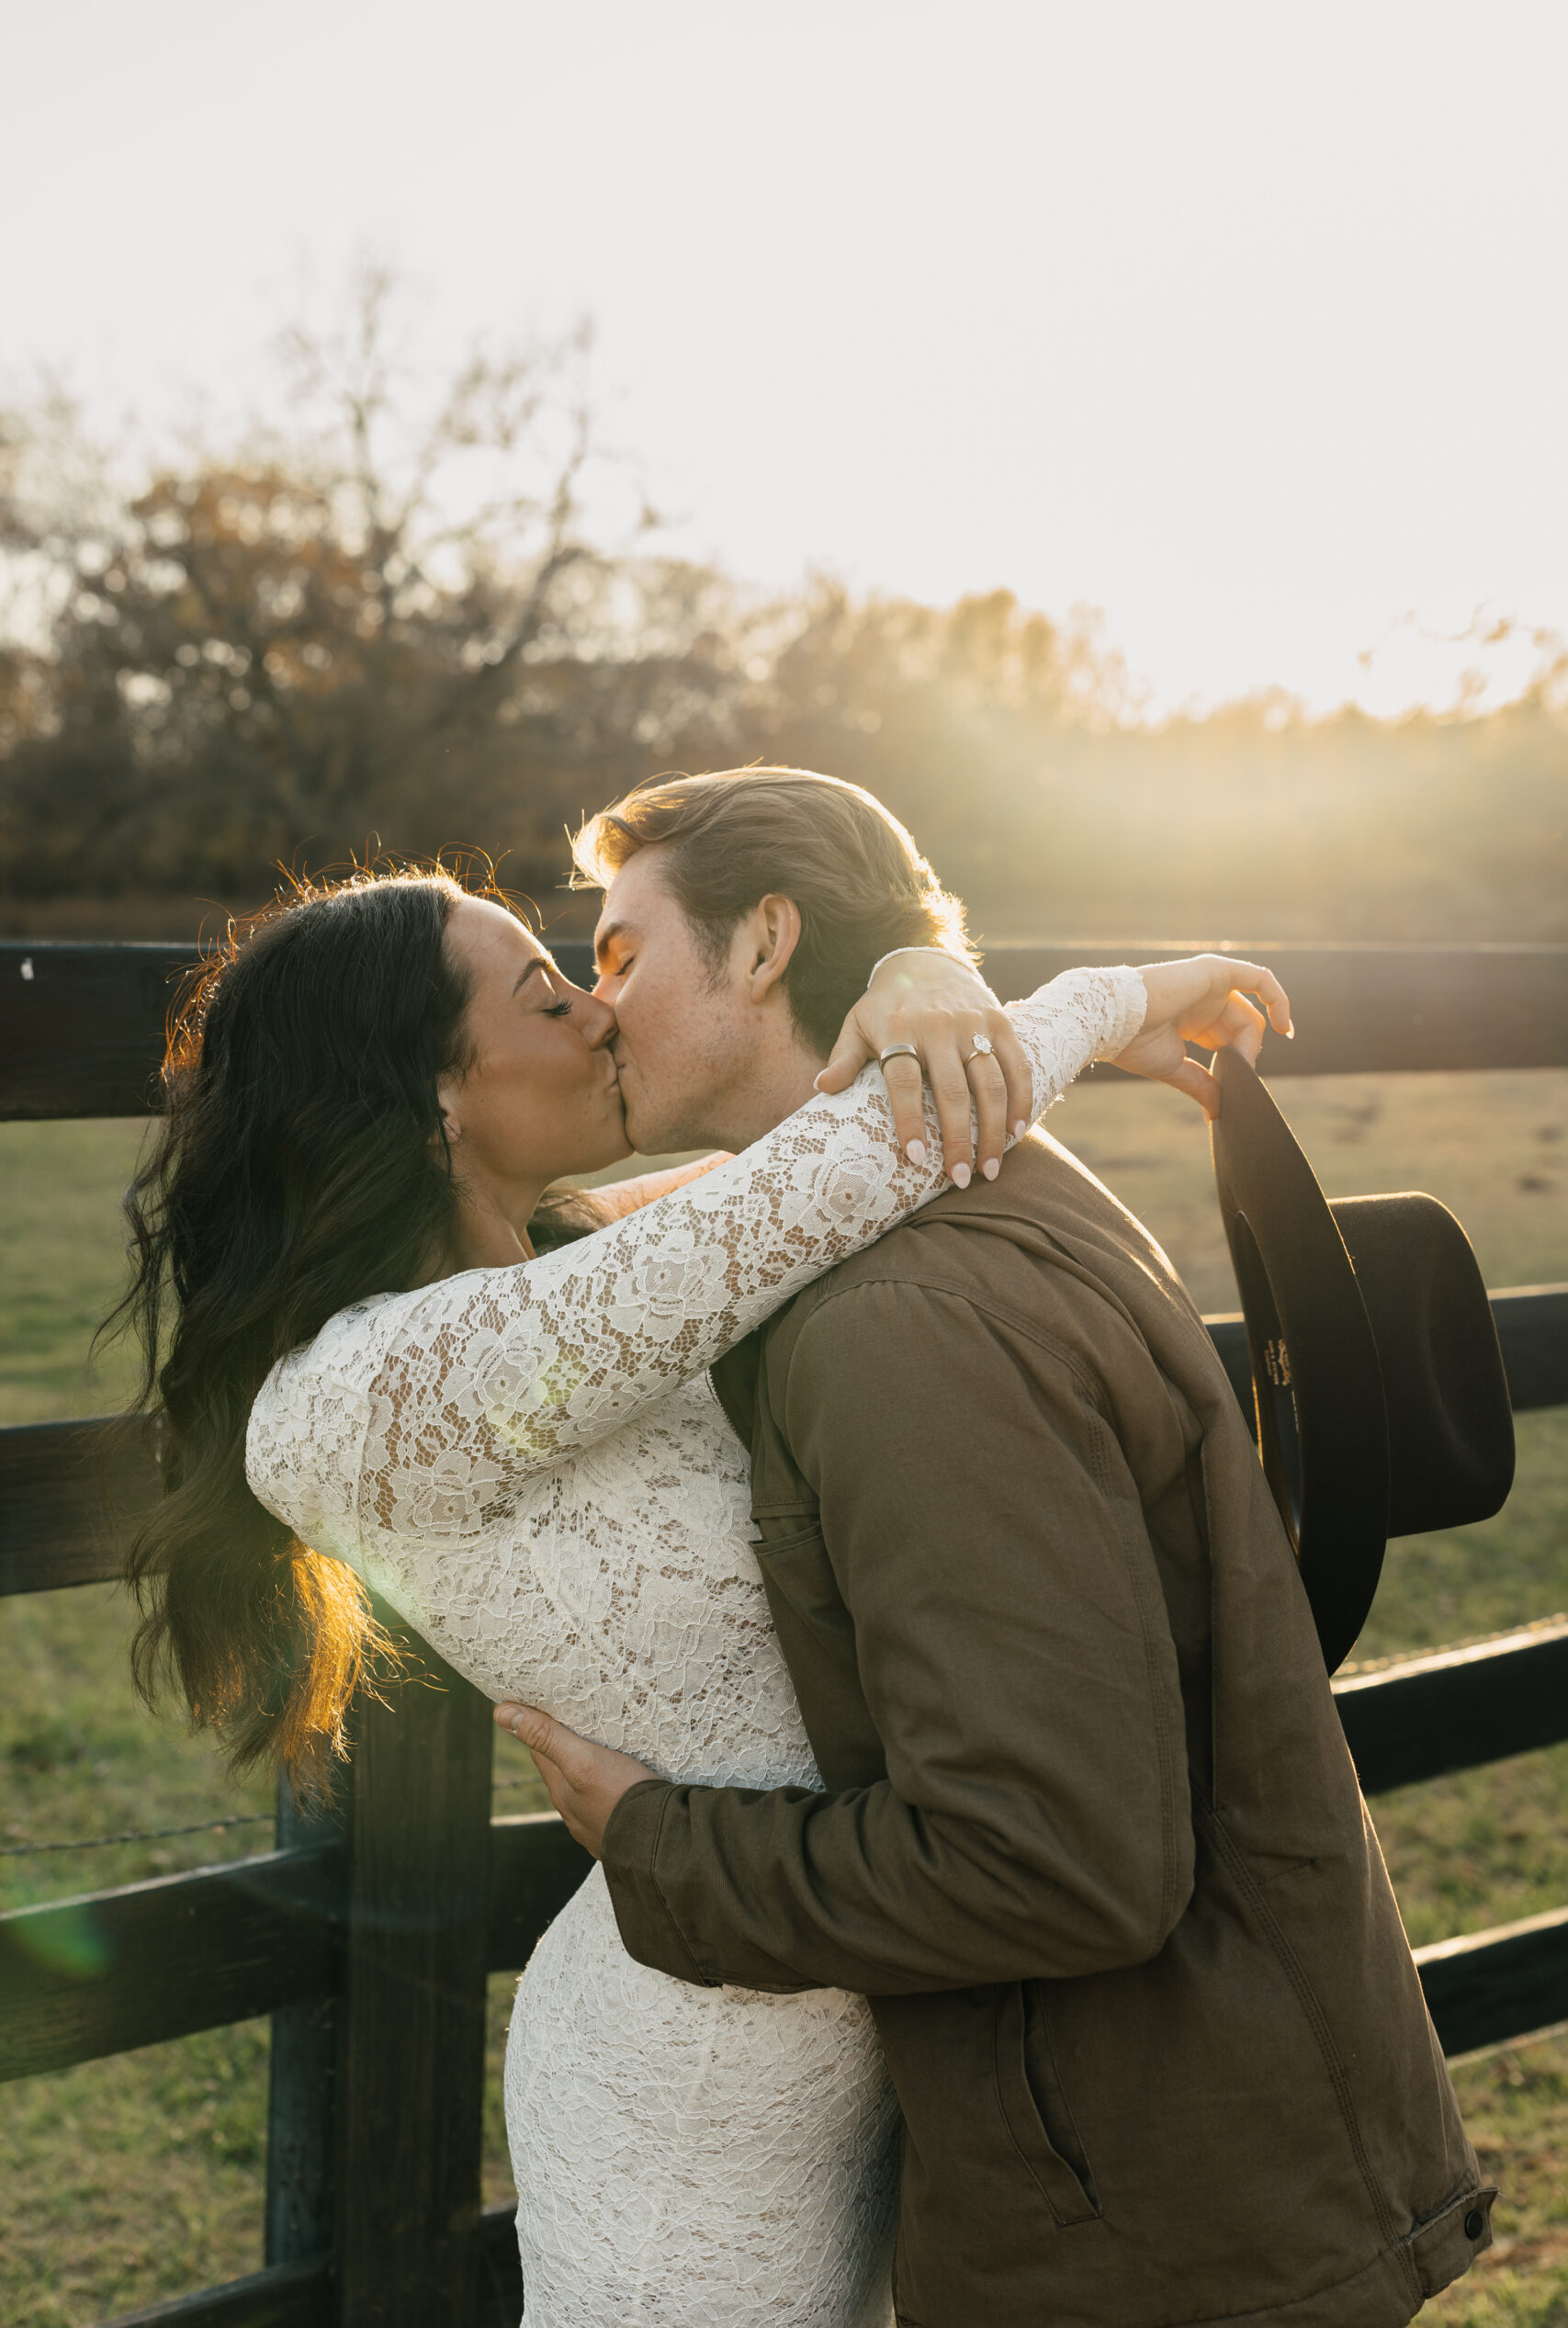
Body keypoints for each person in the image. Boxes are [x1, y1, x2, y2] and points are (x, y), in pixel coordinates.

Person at [122, 775, 1290, 2327]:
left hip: (861, 1983)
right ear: (430, 1093)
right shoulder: (354, 1399)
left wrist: (920, 972)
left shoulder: (597, 1252)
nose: (604, 1016)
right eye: (552, 992)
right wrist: (1108, 999)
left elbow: (839, 1115)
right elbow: (856, 1157)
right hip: (695, 2088)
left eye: (603, 968)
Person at [492, 768, 1495, 2328]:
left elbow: (1054, 1862)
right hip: (1213, 2162)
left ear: (765, 945)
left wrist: (658, 1844)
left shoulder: (902, 1319)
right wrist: (935, 976)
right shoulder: (954, 1173)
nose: (597, 1006)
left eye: (620, 956)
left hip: (1152, 2232)